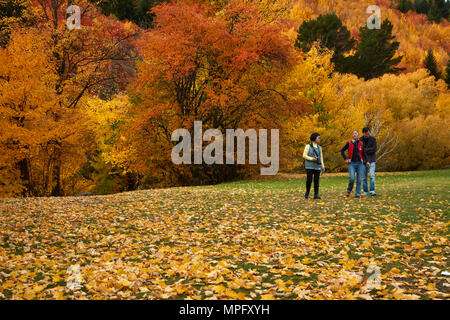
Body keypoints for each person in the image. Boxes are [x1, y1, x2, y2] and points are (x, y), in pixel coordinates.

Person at [340, 130, 368, 198]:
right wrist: (345, 159)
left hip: (360, 163)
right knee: (352, 178)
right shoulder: (349, 143)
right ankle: (349, 190)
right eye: (353, 133)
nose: (354, 134)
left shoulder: (361, 143)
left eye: (356, 133)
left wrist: (367, 161)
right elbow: (342, 150)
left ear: (358, 135)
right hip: (351, 163)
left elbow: (364, 153)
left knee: (359, 179)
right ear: (352, 135)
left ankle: (358, 194)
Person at [303, 132, 326, 199]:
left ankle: (316, 194)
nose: (319, 139)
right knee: (309, 180)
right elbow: (304, 155)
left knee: (317, 180)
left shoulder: (320, 148)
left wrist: (323, 166)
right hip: (309, 166)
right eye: (318, 138)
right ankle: (307, 192)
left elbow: (321, 157)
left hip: (317, 166)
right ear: (314, 138)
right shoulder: (308, 146)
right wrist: (311, 159)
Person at [360, 127, 377, 196]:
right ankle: (365, 191)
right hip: (363, 161)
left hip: (372, 160)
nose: (367, 135)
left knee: (372, 175)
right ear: (363, 133)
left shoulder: (373, 139)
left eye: (368, 133)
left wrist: (365, 150)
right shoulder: (360, 140)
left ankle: (372, 190)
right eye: (366, 134)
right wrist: (365, 151)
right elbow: (360, 151)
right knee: (364, 177)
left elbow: (374, 149)